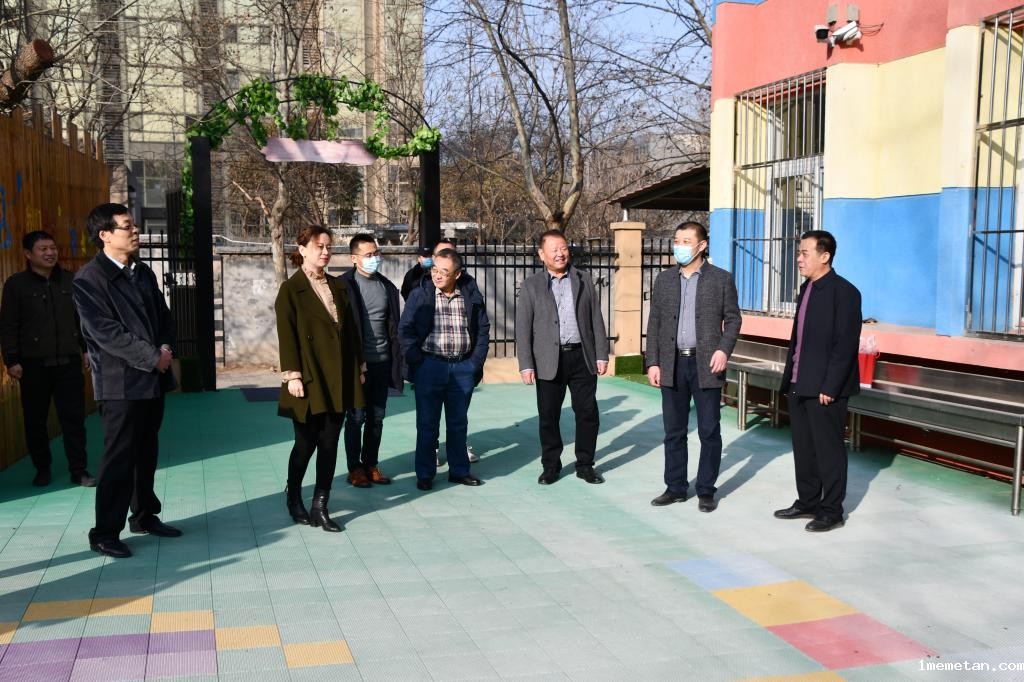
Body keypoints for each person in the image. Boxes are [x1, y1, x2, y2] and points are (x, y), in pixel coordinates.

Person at [73, 204, 179, 559]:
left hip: (152, 380)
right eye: (126, 226)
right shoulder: (89, 279)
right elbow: (105, 333)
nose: (135, 231)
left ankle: (144, 516)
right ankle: (104, 533)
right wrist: (152, 357)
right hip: (120, 384)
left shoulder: (142, 271)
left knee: (146, 452)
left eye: (134, 225)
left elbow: (163, 317)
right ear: (104, 234)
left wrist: (165, 349)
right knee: (118, 460)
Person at [645, 221, 740, 513]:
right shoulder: (664, 280)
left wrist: (723, 349)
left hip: (706, 364)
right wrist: (653, 362)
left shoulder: (721, 279)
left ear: (702, 245)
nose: (680, 246)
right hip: (672, 363)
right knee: (674, 431)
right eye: (677, 241)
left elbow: (733, 319)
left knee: (709, 430)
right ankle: (675, 487)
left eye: (686, 241)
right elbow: (655, 322)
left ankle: (706, 490)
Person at [276, 225, 366, 533]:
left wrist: (359, 367)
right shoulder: (291, 289)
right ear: (302, 250)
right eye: (319, 246)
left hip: (338, 375)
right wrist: (292, 375)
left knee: (329, 443)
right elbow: (287, 335)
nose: (326, 252)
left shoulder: (339, 286)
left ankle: (320, 505)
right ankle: (293, 496)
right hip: (309, 376)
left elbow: (351, 331)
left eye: (329, 246)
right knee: (305, 444)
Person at [774, 230, 861, 532]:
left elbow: (845, 344)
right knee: (804, 449)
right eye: (799, 252)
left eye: (805, 253)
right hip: (800, 382)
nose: (799, 258)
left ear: (825, 256)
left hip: (825, 389)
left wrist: (830, 386)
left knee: (829, 451)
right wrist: (791, 379)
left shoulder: (845, 292)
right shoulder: (806, 289)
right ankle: (808, 501)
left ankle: (831, 510)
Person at [1, 230, 95, 488]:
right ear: (28, 254)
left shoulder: (70, 280)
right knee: (35, 422)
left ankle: (79, 470)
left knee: (74, 420)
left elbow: (81, 319)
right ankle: (42, 469)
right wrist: (11, 360)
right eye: (43, 249)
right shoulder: (16, 285)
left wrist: (86, 348)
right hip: (33, 366)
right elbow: (8, 325)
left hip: (68, 363)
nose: (50, 253)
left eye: (52, 248)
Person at [515, 230, 609, 485]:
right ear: (541, 254)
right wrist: (526, 364)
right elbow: (523, 328)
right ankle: (551, 466)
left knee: (587, 413)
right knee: (548, 416)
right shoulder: (532, 285)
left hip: (582, 357)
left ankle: (585, 465)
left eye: (564, 248)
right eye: (554, 249)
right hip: (548, 360)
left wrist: (602, 354)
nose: (560, 253)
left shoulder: (583, 279)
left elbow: (595, 318)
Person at [399, 248, 489, 491]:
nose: (437, 275)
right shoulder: (420, 294)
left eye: (444, 272)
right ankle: (425, 474)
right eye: (435, 270)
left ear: (457, 274)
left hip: (462, 367)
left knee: (458, 423)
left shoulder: (471, 294)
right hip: (429, 366)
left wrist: (475, 362)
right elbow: (405, 329)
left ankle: (459, 471)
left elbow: (482, 328)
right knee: (427, 424)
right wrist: (416, 360)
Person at [341, 234, 400, 488]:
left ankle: (371, 464)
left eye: (376, 253)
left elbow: (393, 326)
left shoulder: (387, 286)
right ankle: (355, 469)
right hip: (357, 366)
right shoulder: (343, 286)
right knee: (356, 418)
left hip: (382, 362)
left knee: (377, 417)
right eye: (368, 255)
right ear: (354, 258)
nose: (374, 258)